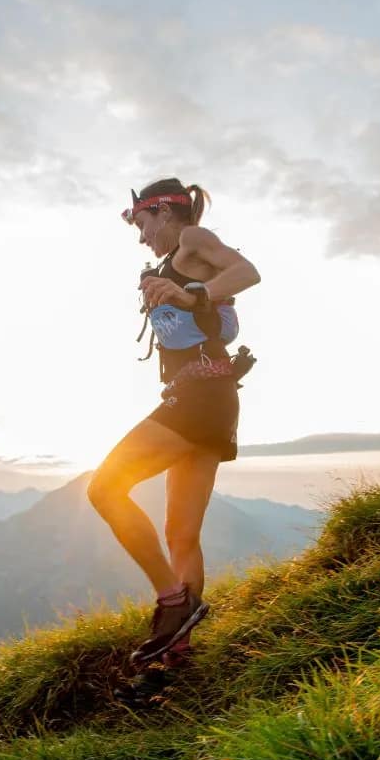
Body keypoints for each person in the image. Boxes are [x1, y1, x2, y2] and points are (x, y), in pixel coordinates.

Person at [87, 177, 260, 679]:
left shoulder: (192, 240)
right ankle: (176, 658)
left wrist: (193, 295)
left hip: (199, 397)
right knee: (181, 536)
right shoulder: (168, 263)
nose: (142, 237)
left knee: (104, 489)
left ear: (164, 213)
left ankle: (171, 602)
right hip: (212, 398)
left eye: (142, 224)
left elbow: (247, 271)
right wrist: (185, 294)